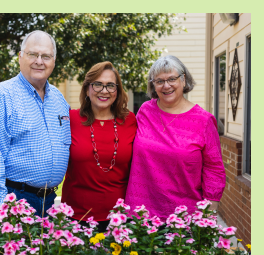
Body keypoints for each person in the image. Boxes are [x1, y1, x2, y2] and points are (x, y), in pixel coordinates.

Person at [0, 30, 71, 224]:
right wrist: (2, 213)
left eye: (46, 56)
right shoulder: (1, 96)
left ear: (53, 61)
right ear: (20, 57)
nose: (39, 61)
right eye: (32, 54)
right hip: (13, 199)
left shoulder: (59, 100)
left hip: (48, 201)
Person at [125, 55, 226, 220]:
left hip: (183, 217)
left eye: (172, 79)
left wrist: (209, 210)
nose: (166, 86)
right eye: (159, 81)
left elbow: (214, 168)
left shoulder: (203, 121)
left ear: (183, 80)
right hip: (140, 213)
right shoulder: (145, 111)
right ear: (153, 85)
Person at [61, 61, 137, 232]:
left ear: (117, 91)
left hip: (120, 218)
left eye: (110, 85)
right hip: (76, 217)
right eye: (97, 85)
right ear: (87, 88)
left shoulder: (130, 121)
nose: (104, 91)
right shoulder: (70, 119)